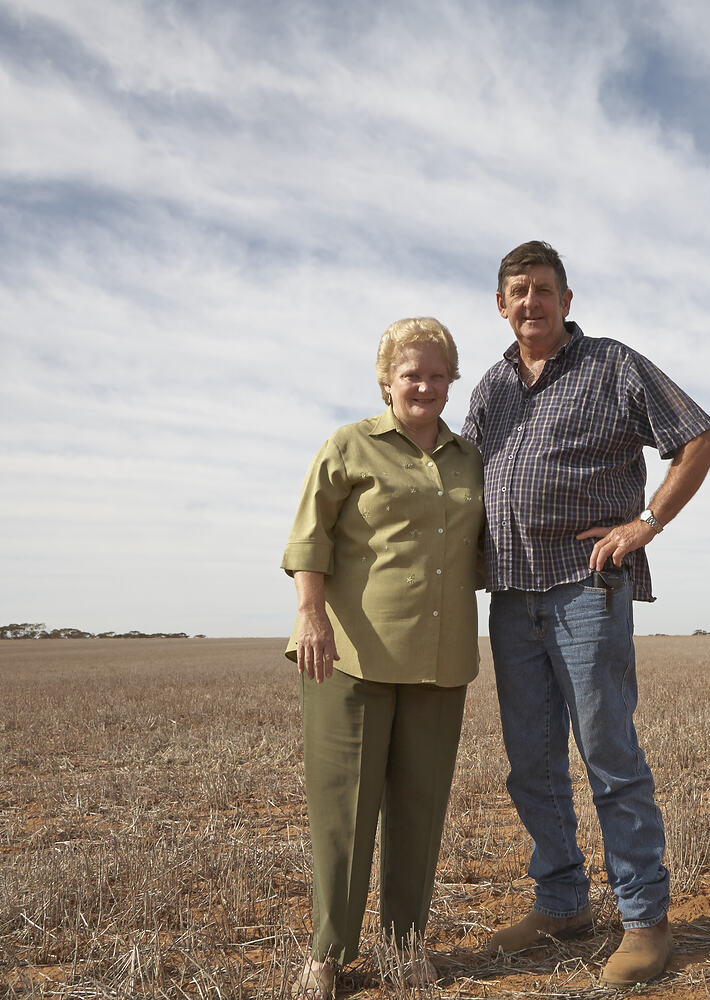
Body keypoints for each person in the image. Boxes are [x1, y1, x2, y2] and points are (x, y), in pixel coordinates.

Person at [462, 241, 710, 986]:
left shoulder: (612, 365)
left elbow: (701, 437)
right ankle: (561, 904)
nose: (531, 302)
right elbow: (462, 477)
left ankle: (645, 921)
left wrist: (647, 522)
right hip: (511, 594)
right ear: (501, 305)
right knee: (531, 763)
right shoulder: (490, 387)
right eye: (518, 291)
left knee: (608, 755)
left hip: (586, 586)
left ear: (566, 300)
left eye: (544, 289)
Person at [281, 317, 484, 1000]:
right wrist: (310, 615)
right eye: (411, 374)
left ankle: (405, 946)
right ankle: (327, 955)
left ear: (451, 382)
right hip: (350, 656)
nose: (424, 386)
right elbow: (309, 537)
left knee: (420, 813)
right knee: (344, 813)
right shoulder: (349, 445)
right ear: (386, 381)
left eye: (437, 375)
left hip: (441, 662)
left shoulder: (470, 458)